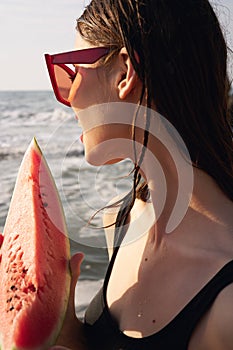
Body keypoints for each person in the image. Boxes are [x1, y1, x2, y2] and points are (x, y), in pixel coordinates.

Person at [4, 0, 233, 349]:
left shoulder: (225, 305)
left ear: (124, 72)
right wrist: (61, 321)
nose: (67, 97)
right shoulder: (123, 218)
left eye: (71, 71)